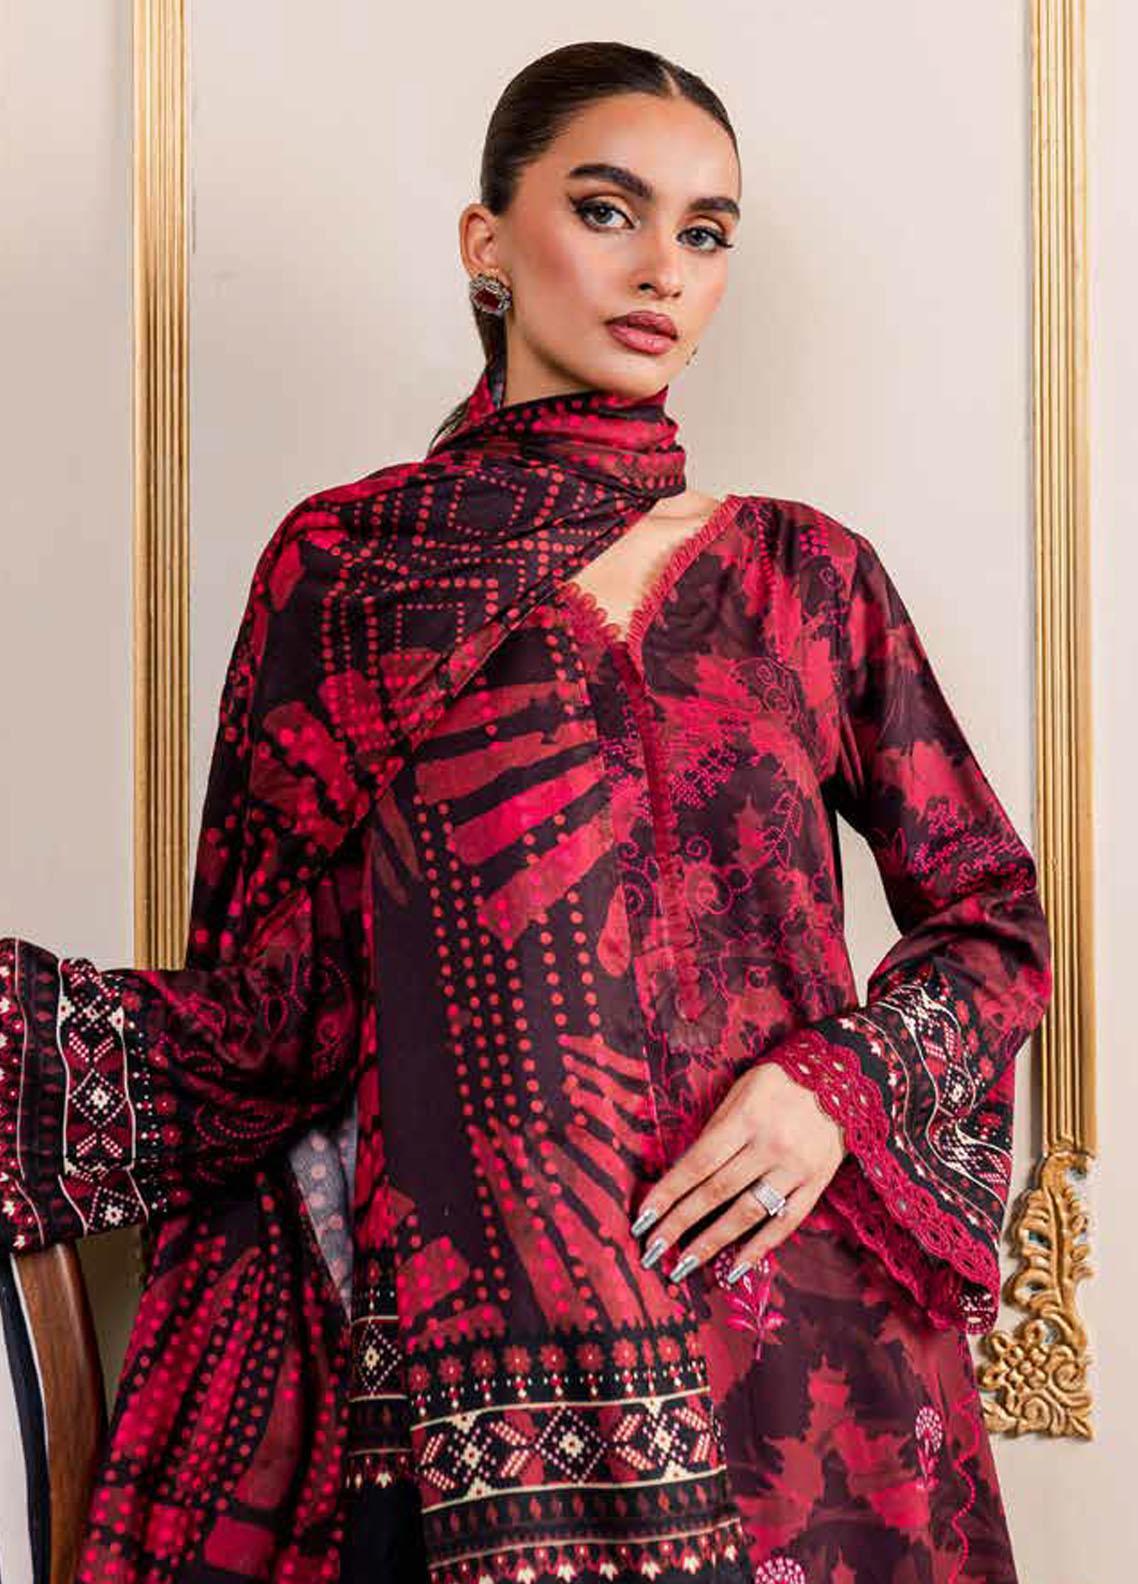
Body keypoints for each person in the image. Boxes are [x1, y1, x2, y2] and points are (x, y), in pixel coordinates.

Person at [0, 39, 1051, 1584]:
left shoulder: (806, 575)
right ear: (486, 243)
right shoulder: (348, 569)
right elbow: (275, 1005)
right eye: (608, 209)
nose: (663, 268)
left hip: (799, 1355)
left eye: (704, 231)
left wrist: (830, 1086)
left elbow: (993, 922)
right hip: (481, 1367)